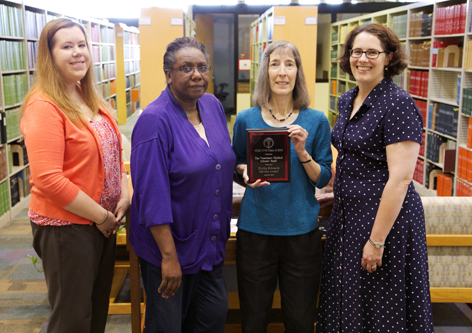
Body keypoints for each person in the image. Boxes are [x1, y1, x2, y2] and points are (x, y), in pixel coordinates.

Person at [317, 23, 434, 332]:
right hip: (347, 220)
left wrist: (377, 241)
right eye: (357, 51)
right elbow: (350, 154)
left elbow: (400, 179)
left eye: (372, 52)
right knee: (349, 302)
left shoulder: (399, 104)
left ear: (388, 57)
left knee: (380, 307)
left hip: (383, 225)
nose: (363, 59)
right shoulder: (347, 99)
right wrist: (336, 187)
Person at [20, 18, 129, 333]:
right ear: (49, 55)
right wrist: (101, 216)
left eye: (82, 45)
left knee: (93, 311)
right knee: (70, 320)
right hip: (66, 228)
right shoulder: (44, 105)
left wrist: (124, 191)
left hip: (99, 223)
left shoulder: (87, 94)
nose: (77, 53)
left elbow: (114, 150)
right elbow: (48, 179)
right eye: (67, 47)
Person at [129, 37, 236, 333]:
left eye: (202, 67)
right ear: (168, 74)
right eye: (185, 68)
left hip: (208, 246)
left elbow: (219, 159)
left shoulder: (212, 106)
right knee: (167, 327)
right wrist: (168, 258)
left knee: (212, 318)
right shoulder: (154, 121)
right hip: (171, 251)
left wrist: (241, 171)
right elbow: (152, 197)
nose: (196, 74)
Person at [232, 40, 333, 333]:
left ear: (298, 72)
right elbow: (237, 163)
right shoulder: (246, 119)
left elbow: (323, 178)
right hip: (255, 232)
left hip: (301, 232)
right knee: (253, 317)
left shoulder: (316, 121)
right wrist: (245, 172)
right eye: (274, 64)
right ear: (265, 71)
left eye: (290, 64)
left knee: (300, 318)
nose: (282, 72)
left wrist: (303, 152)